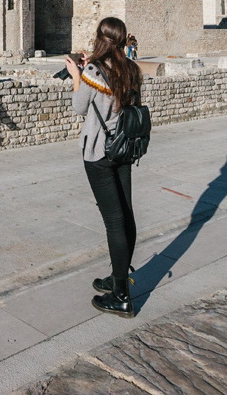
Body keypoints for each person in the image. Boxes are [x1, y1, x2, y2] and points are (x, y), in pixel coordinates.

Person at [64, 16, 142, 318]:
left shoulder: (94, 71)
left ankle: (121, 296)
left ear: (101, 38)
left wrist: (77, 75)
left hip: (99, 152)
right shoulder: (131, 69)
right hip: (123, 147)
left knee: (113, 221)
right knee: (126, 214)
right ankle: (117, 275)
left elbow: (79, 107)